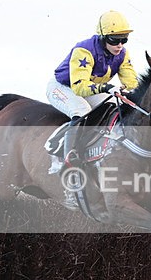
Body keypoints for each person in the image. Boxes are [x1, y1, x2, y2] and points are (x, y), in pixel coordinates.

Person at [45, 10, 139, 171]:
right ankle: (64, 155)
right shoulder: (84, 50)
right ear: (102, 37)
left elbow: (132, 82)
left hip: (89, 89)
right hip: (63, 87)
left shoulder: (122, 54)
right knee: (81, 110)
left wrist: (135, 93)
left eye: (124, 39)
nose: (120, 45)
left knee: (113, 105)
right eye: (114, 40)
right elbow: (80, 87)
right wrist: (107, 87)